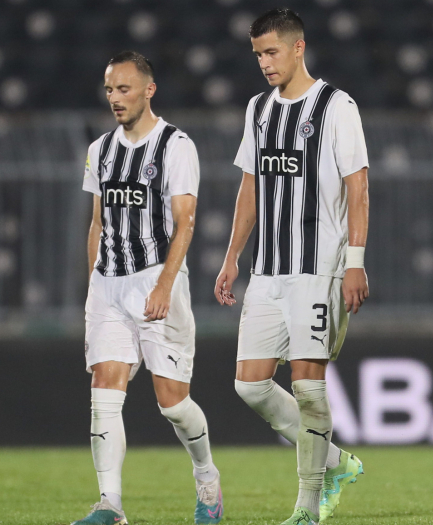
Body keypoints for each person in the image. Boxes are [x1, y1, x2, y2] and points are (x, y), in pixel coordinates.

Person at [213, 8, 369, 525]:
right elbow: (250, 187)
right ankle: (336, 462)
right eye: (258, 54)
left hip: (318, 268)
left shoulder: (336, 106)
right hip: (268, 270)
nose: (264, 62)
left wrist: (355, 262)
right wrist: (232, 256)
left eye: (272, 51)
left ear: (298, 47)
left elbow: (358, 187)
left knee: (308, 386)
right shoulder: (258, 109)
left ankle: (307, 505)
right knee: (250, 384)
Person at [75, 51, 222, 525]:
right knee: (104, 389)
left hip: (157, 279)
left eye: (124, 89)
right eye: (109, 90)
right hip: (108, 285)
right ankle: (110, 505)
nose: (115, 98)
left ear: (148, 90)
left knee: (172, 403)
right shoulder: (100, 149)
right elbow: (98, 222)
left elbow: (186, 223)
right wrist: (93, 282)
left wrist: (163, 286)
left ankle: (207, 477)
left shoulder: (176, 146)